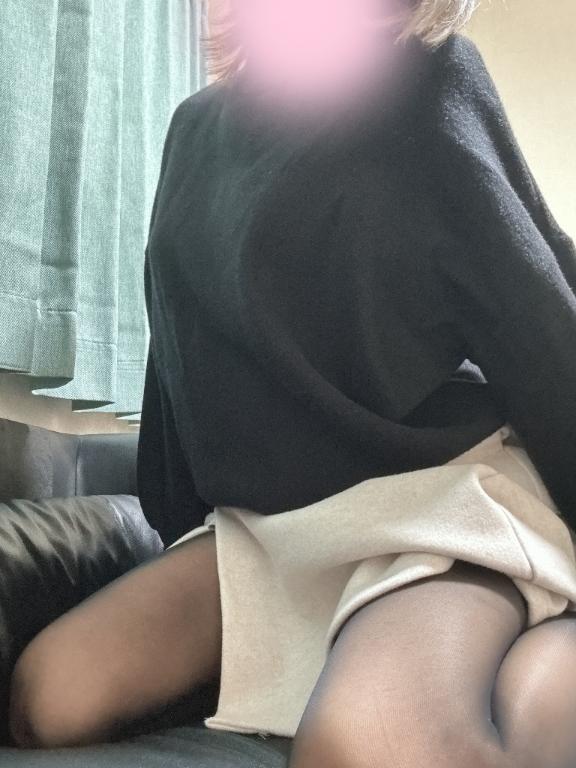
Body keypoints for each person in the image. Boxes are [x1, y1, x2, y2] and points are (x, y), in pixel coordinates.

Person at [8, 1, 576, 765]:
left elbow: (535, 317)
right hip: (272, 530)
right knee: (53, 697)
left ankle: (545, 639)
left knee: (362, 744)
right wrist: (185, 527)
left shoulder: (430, 75)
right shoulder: (193, 127)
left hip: (435, 496)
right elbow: (177, 341)